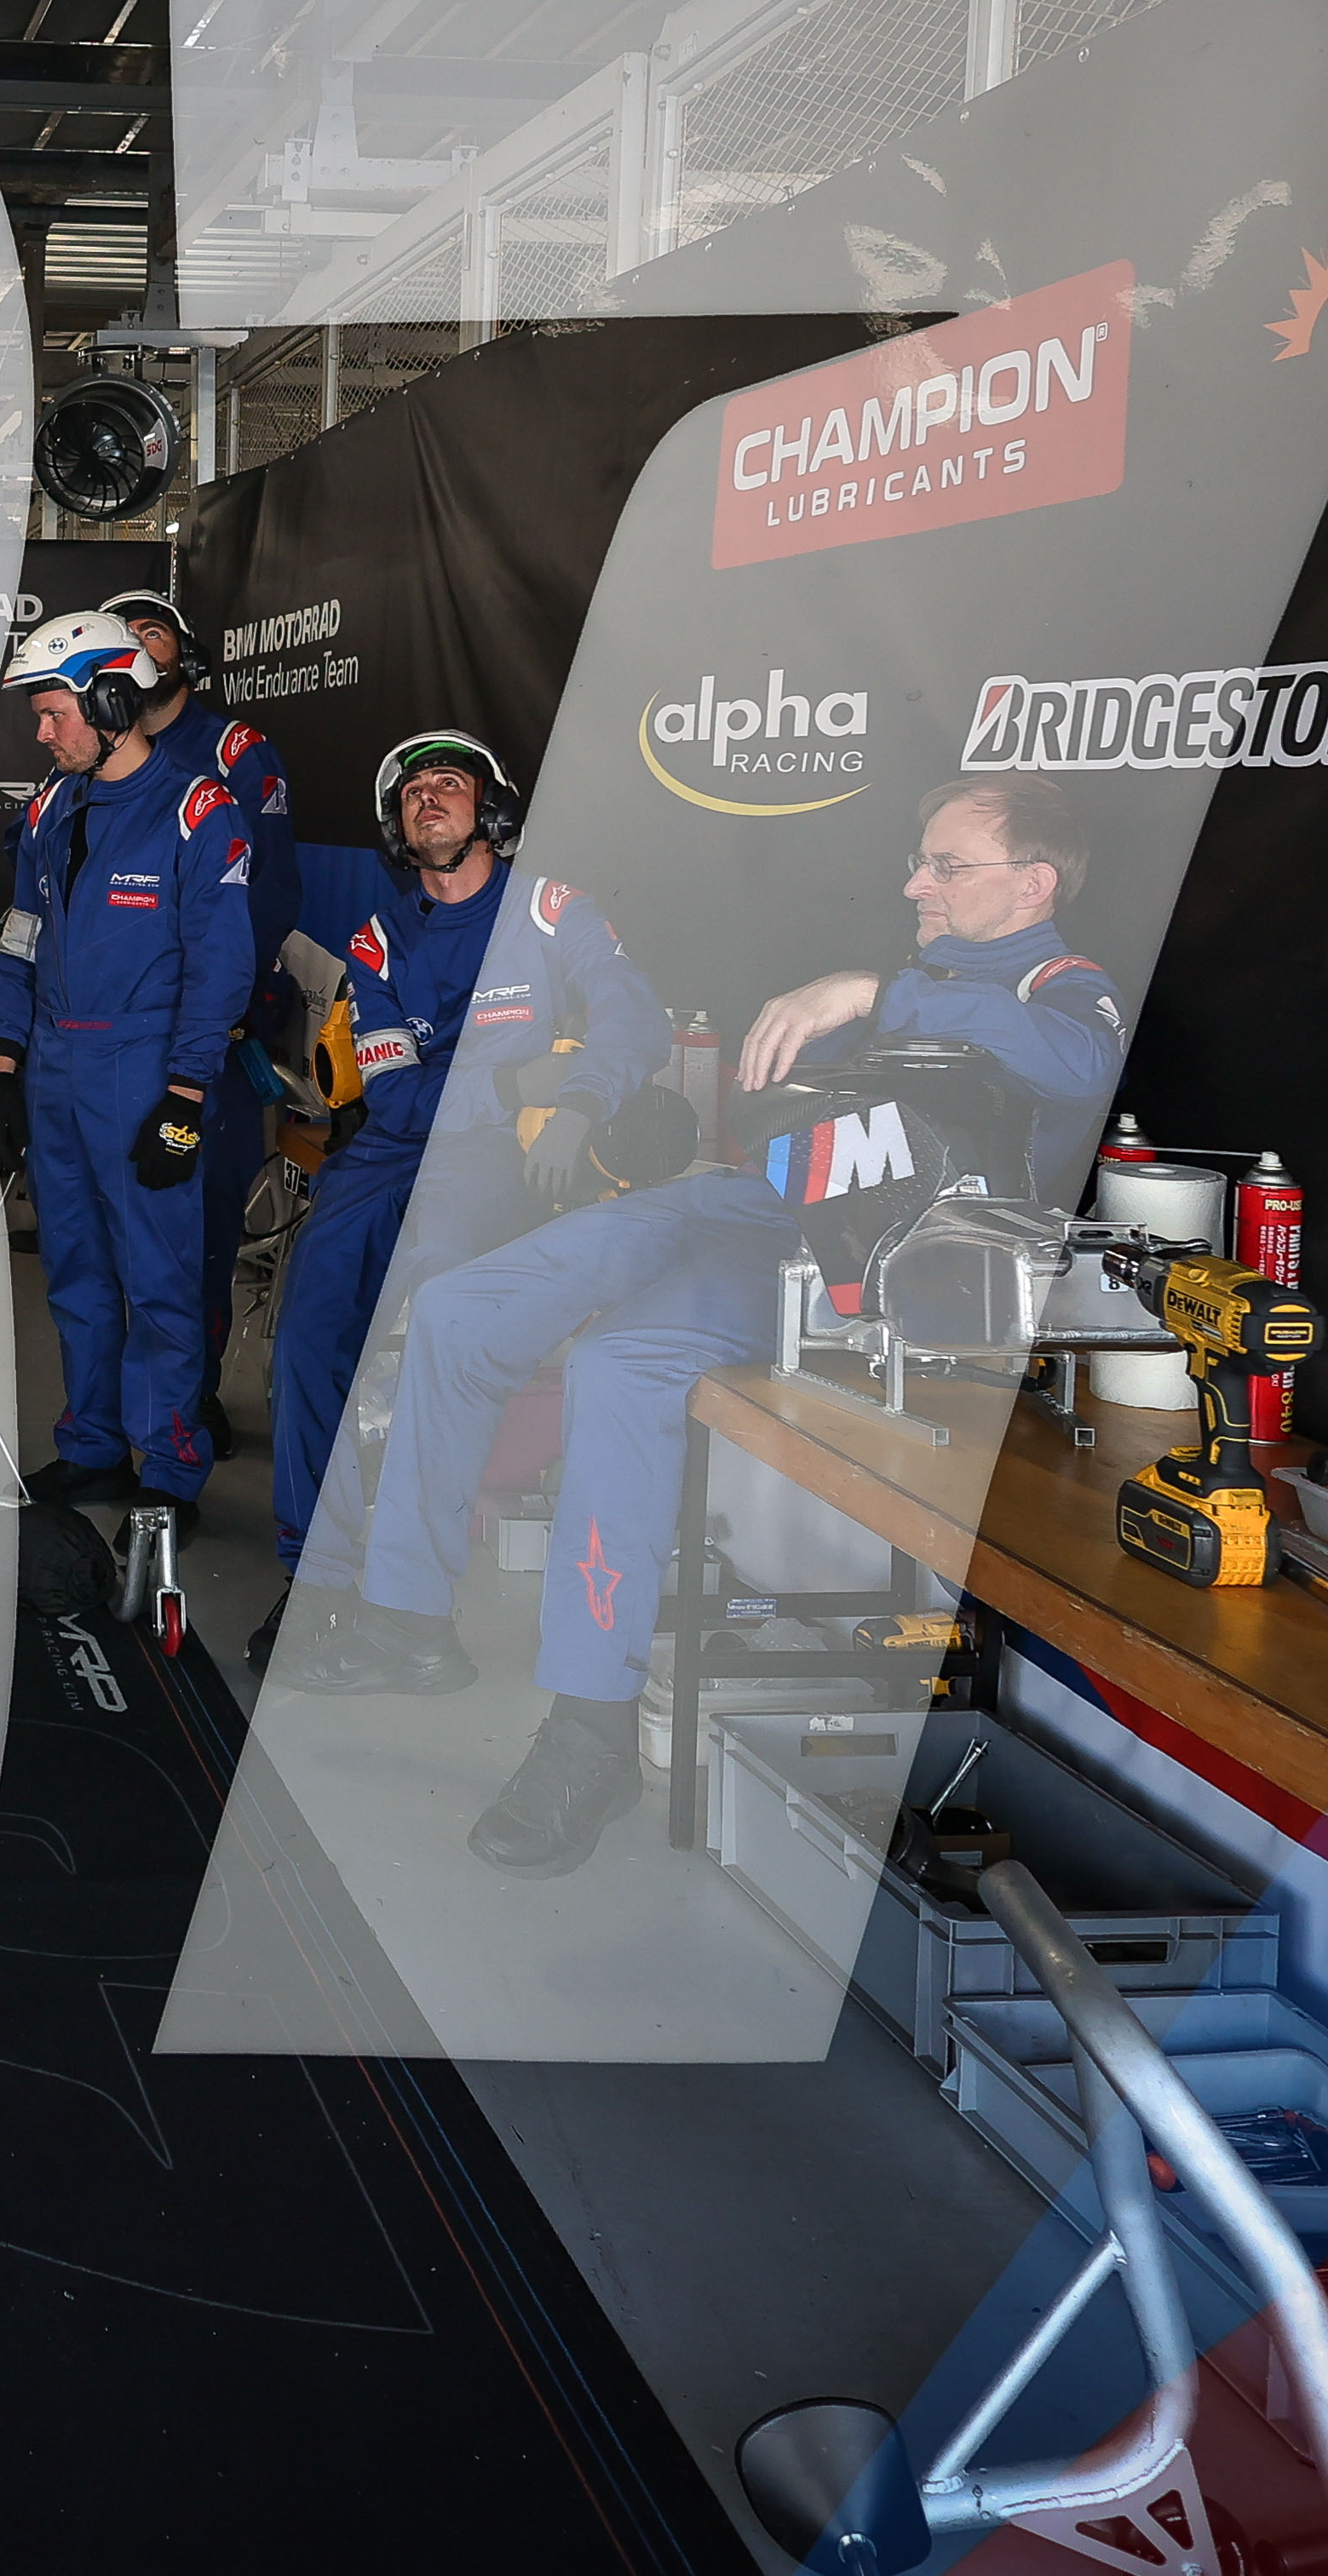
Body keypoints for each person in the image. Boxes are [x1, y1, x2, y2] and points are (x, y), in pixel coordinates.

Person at [273, 777, 1125, 1885]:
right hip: (754, 1199)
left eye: (944, 865)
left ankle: (588, 1729)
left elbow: (1076, 1066)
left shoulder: (1062, 987)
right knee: (456, 1306)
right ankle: (405, 1620)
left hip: (855, 1267)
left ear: (1034, 882)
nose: (915, 883)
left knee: (619, 1365)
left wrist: (872, 992)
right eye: (918, 861)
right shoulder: (933, 974)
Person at [261, 732, 661, 1577]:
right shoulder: (376, 941)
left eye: (448, 782)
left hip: (504, 1156)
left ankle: (411, 1578)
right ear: (396, 828)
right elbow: (397, 1098)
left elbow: (633, 1016)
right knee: (306, 1332)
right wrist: (517, 1083)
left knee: (441, 1305)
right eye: (411, 793)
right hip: (390, 1152)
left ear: (493, 810)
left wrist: (579, 1104)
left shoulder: (549, 908)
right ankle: (314, 1573)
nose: (428, 798)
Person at [0, 611, 259, 1531]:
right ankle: (94, 1445)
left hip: (146, 1068)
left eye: (52, 712)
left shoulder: (196, 810)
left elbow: (220, 965)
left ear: (108, 701)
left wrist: (185, 1092)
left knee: (158, 1277)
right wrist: (6, 1060)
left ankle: (170, 1465)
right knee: (74, 1271)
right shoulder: (47, 810)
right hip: (56, 1067)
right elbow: (20, 939)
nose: (41, 731)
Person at [97, 589, 295, 1426]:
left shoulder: (233, 750)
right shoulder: (89, 752)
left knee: (203, 1221)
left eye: (154, 631)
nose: (140, 645)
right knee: (114, 1222)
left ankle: (192, 1398)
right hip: (116, 1035)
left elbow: (270, 892)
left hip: (208, 1032)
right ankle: (118, 1406)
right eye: (124, 635)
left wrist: (220, 1007)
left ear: (184, 651)